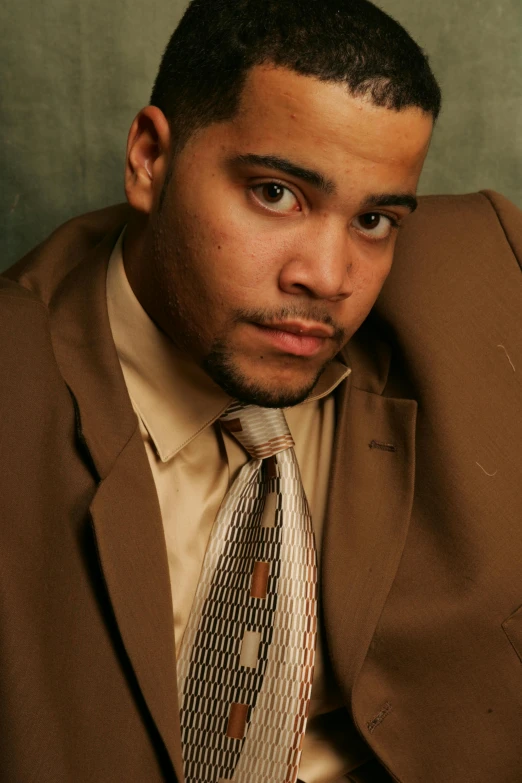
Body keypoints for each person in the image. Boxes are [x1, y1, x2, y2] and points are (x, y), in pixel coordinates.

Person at [0, 0, 520, 781]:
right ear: (148, 158)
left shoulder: (490, 270)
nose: (328, 277)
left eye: (375, 218)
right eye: (276, 193)